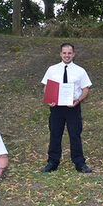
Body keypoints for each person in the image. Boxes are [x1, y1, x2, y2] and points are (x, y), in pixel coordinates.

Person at [40, 42, 93, 173]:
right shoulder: (52, 69)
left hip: (72, 107)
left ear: (73, 54)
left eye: (69, 53)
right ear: (60, 54)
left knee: (75, 135)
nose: (67, 55)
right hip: (56, 108)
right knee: (55, 134)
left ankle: (79, 163)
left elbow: (85, 89)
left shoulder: (80, 71)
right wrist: (49, 99)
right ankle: (52, 162)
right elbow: (46, 87)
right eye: (64, 53)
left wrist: (78, 100)